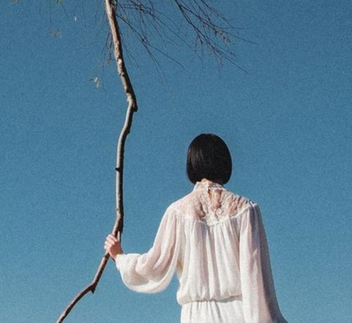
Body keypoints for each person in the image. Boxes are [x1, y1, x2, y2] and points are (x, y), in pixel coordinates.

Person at [104, 133, 289, 323]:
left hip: (197, 316)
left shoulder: (178, 212)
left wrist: (120, 258)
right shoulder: (245, 209)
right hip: (240, 313)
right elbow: (257, 278)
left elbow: (154, 266)